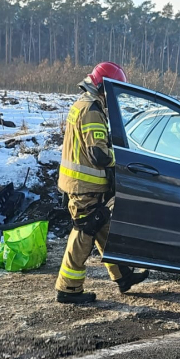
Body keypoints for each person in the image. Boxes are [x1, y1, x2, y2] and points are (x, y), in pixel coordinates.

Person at [55, 62, 149, 304]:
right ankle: (68, 288)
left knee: (102, 225)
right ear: (103, 86)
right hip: (85, 186)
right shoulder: (92, 110)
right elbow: (99, 155)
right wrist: (123, 158)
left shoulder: (82, 104)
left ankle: (123, 276)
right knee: (85, 231)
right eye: (113, 90)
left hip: (79, 183)